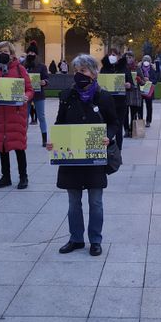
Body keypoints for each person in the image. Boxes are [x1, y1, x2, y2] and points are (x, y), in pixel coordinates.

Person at [47, 54, 119, 256]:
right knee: (73, 202)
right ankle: (76, 238)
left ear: (94, 73)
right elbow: (60, 123)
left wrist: (109, 137)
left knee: (95, 202)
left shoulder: (104, 97)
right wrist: (54, 141)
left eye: (84, 71)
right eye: (77, 71)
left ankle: (95, 239)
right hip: (72, 158)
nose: (80, 75)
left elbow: (114, 123)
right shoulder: (66, 96)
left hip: (95, 158)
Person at [0, 42, 34, 189]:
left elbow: (29, 89)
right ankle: (5, 177)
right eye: (0, 51)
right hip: (0, 114)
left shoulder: (20, 70)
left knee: (19, 147)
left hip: (16, 115)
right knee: (2, 147)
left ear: (12, 54)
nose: (2, 53)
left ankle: (23, 177)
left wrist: (26, 96)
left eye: (5, 51)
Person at [100, 48, 133, 146]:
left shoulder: (124, 68)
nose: (112, 56)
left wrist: (128, 85)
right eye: (110, 54)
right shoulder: (104, 68)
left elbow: (131, 84)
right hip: (106, 102)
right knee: (106, 126)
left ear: (119, 56)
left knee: (118, 126)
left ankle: (119, 150)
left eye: (114, 54)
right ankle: (107, 147)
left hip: (120, 102)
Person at [23, 41, 50, 146]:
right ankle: (23, 137)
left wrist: (44, 82)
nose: (31, 54)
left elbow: (47, 78)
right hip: (26, 94)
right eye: (29, 52)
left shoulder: (41, 66)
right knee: (24, 117)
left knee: (41, 116)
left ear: (36, 54)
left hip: (39, 95)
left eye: (33, 53)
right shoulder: (22, 65)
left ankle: (44, 139)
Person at [125, 51, 143, 134]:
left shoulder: (137, 68)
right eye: (127, 57)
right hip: (125, 94)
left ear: (133, 58)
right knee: (125, 114)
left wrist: (139, 80)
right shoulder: (123, 68)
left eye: (130, 57)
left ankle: (132, 130)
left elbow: (143, 82)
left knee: (133, 113)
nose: (128, 59)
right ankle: (126, 130)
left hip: (135, 94)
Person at [137, 54, 157, 127]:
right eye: (145, 60)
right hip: (140, 89)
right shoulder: (139, 68)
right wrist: (142, 80)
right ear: (142, 61)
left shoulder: (152, 69)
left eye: (147, 60)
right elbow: (136, 78)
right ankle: (140, 120)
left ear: (150, 61)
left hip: (149, 90)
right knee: (140, 106)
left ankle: (148, 121)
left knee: (149, 106)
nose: (146, 62)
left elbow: (155, 80)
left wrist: (149, 80)